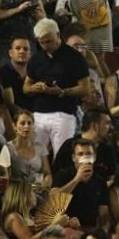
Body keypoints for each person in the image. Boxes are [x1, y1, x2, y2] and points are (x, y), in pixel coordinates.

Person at [24, 18, 91, 156]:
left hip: (64, 113)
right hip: (39, 113)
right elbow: (25, 87)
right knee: (34, 155)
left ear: (58, 35)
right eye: (41, 42)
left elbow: (85, 88)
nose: (45, 46)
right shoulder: (36, 59)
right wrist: (33, 88)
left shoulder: (75, 58)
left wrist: (62, 92)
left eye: (48, 41)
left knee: (62, 156)